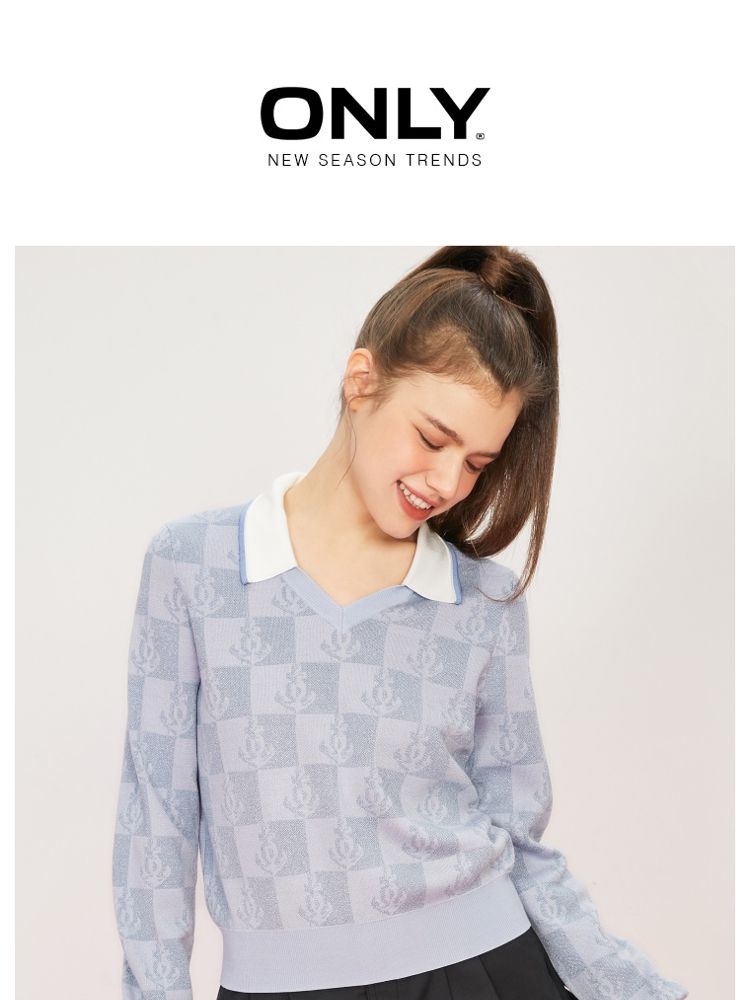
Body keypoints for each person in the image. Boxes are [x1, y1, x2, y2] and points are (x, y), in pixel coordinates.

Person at [111, 246, 689, 1000]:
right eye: (433, 438)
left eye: (477, 463)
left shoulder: (482, 603)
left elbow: (521, 844)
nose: (447, 482)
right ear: (362, 381)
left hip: (484, 968)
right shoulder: (196, 566)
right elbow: (155, 825)